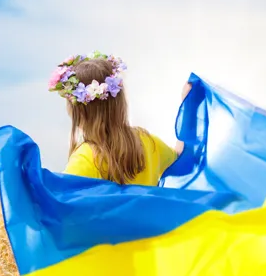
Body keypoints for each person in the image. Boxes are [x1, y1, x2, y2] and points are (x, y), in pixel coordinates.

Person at [48, 51, 191, 186]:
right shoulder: (146, 141)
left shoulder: (86, 157)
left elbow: (59, 200)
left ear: (78, 112)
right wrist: (188, 106)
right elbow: (180, 158)